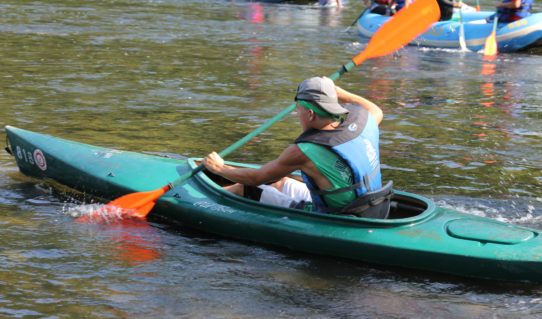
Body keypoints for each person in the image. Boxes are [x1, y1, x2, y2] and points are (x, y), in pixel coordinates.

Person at [203, 77, 393, 218]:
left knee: (245, 189)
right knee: (280, 182)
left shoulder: (304, 151)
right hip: (374, 206)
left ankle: (200, 203)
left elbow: (256, 178)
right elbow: (376, 110)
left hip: (341, 216)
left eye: (298, 111)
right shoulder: (364, 120)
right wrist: (340, 93)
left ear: (310, 114)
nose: (297, 116)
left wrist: (219, 168)